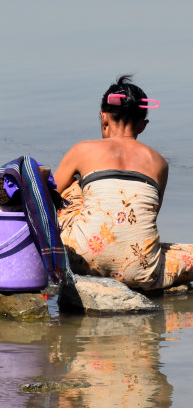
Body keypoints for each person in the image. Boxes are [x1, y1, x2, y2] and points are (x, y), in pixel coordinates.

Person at [53, 75, 193, 290]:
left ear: (104, 118)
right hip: (140, 271)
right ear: (143, 125)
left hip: (81, 259)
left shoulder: (82, 150)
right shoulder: (159, 163)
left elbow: (47, 196)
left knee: (68, 187)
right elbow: (149, 216)